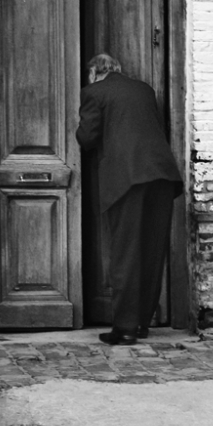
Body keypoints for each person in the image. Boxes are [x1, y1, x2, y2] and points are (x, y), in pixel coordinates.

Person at [76, 54, 183, 345]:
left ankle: (123, 328)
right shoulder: (144, 89)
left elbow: (87, 138)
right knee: (151, 251)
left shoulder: (93, 92)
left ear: (94, 72)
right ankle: (140, 324)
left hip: (127, 181)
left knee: (125, 252)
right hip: (162, 176)